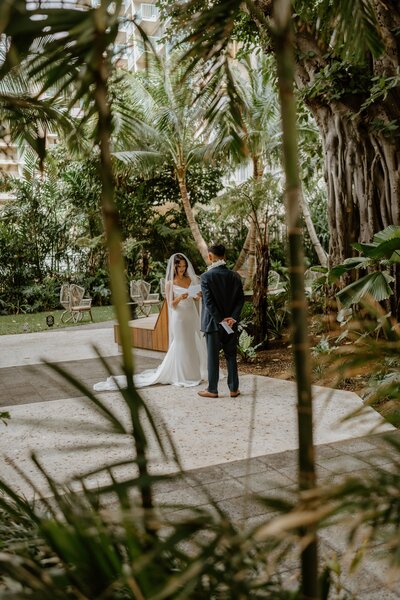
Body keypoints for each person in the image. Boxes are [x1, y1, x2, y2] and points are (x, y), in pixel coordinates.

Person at [93, 253, 207, 391]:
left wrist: (197, 296)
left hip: (190, 314)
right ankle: (182, 376)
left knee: (191, 342)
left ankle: (194, 374)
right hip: (180, 317)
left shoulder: (190, 279)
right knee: (181, 343)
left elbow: (195, 298)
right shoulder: (170, 283)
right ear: (174, 267)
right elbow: (171, 304)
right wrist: (180, 298)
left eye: (184, 266)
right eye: (179, 266)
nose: (182, 269)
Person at [198, 243, 244, 399]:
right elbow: (240, 300)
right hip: (231, 324)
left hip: (213, 325)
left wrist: (220, 320)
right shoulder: (235, 276)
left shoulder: (205, 277)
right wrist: (232, 318)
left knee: (213, 357)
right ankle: (234, 389)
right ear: (224, 256)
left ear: (210, 256)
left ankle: (212, 389)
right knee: (231, 356)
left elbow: (209, 303)